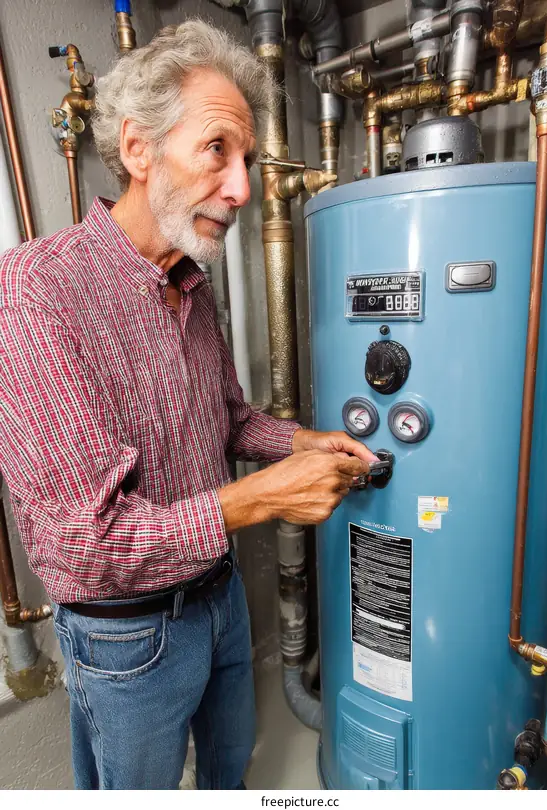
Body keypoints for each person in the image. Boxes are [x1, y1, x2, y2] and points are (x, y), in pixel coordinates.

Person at [0, 18, 375, 790]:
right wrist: (263, 497)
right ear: (138, 149)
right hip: (127, 638)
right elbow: (80, 544)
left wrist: (301, 443)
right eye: (217, 151)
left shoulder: (190, 286)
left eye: (244, 160)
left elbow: (228, 419)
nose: (242, 187)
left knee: (229, 772)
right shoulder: (37, 290)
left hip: (220, 597)